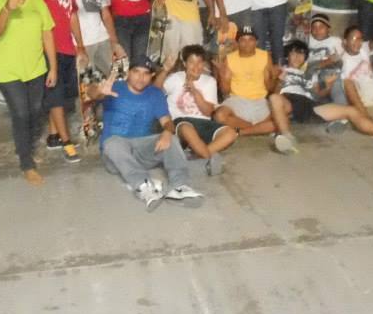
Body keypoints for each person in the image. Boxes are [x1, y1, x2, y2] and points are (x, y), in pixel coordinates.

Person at [88, 56, 204, 211]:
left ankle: (179, 186)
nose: (140, 77)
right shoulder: (114, 88)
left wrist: (167, 132)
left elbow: (167, 121)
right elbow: (92, 93)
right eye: (136, 72)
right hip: (116, 156)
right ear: (129, 73)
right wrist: (98, 91)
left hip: (143, 150)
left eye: (146, 73)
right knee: (112, 143)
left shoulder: (155, 94)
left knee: (172, 139)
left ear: (151, 76)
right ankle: (144, 185)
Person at [0, 0, 57, 186]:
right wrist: (8, 8)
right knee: (21, 114)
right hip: (9, 71)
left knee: (35, 112)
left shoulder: (37, 1)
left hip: (36, 68)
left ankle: (24, 146)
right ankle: (27, 163)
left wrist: (53, 67)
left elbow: (47, 34)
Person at [31, 0, 87, 163]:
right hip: (46, 46)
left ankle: (53, 136)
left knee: (63, 96)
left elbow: (72, 15)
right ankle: (66, 143)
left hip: (66, 47)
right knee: (54, 96)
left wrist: (80, 45)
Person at [278, 40, 373, 140]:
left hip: (308, 106)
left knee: (351, 111)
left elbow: (318, 95)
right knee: (275, 99)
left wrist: (327, 85)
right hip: (289, 102)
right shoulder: (281, 70)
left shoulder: (308, 74)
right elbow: (273, 92)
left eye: (301, 53)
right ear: (287, 56)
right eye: (294, 53)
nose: (297, 57)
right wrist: (279, 81)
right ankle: (287, 138)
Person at [155, 44, 238, 176]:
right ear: (184, 64)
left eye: (199, 63)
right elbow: (154, 91)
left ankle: (197, 158)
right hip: (180, 122)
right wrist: (165, 71)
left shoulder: (209, 81)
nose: (196, 67)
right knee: (187, 129)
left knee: (231, 133)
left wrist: (195, 92)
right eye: (191, 62)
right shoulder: (176, 78)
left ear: (204, 64)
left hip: (203, 123)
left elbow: (207, 112)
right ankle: (207, 158)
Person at [213, 25, 295, 153]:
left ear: (256, 42)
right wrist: (221, 75)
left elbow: (269, 88)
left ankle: (241, 131)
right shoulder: (229, 59)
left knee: (282, 117)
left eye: (250, 39)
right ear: (237, 42)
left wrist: (276, 78)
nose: (247, 43)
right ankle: (258, 128)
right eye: (243, 40)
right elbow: (225, 91)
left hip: (260, 101)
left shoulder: (265, 56)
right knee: (219, 116)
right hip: (237, 100)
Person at [306, 13, 345, 103]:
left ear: (328, 28)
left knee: (334, 80)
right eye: (314, 27)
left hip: (328, 72)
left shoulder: (335, 41)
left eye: (321, 27)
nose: (317, 30)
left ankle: (340, 106)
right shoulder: (307, 39)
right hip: (311, 73)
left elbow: (340, 58)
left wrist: (331, 61)